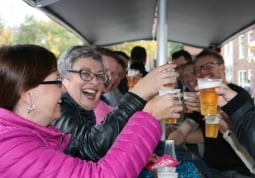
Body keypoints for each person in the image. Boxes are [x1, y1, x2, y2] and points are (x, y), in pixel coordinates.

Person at [0, 44, 164, 178]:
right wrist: (147, 114)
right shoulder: (10, 149)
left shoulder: (35, 134)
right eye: (57, 81)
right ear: (27, 95)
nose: (63, 88)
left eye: (100, 76)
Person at [53, 45, 181, 161]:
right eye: (85, 73)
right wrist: (137, 95)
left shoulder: (81, 107)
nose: (95, 82)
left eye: (99, 76)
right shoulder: (57, 107)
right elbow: (88, 149)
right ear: (62, 77)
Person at [194, 49, 255, 178]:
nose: (203, 72)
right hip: (212, 170)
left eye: (208, 66)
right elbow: (200, 134)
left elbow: (243, 130)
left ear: (222, 68)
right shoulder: (204, 97)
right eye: (199, 69)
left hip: (236, 175)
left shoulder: (237, 95)